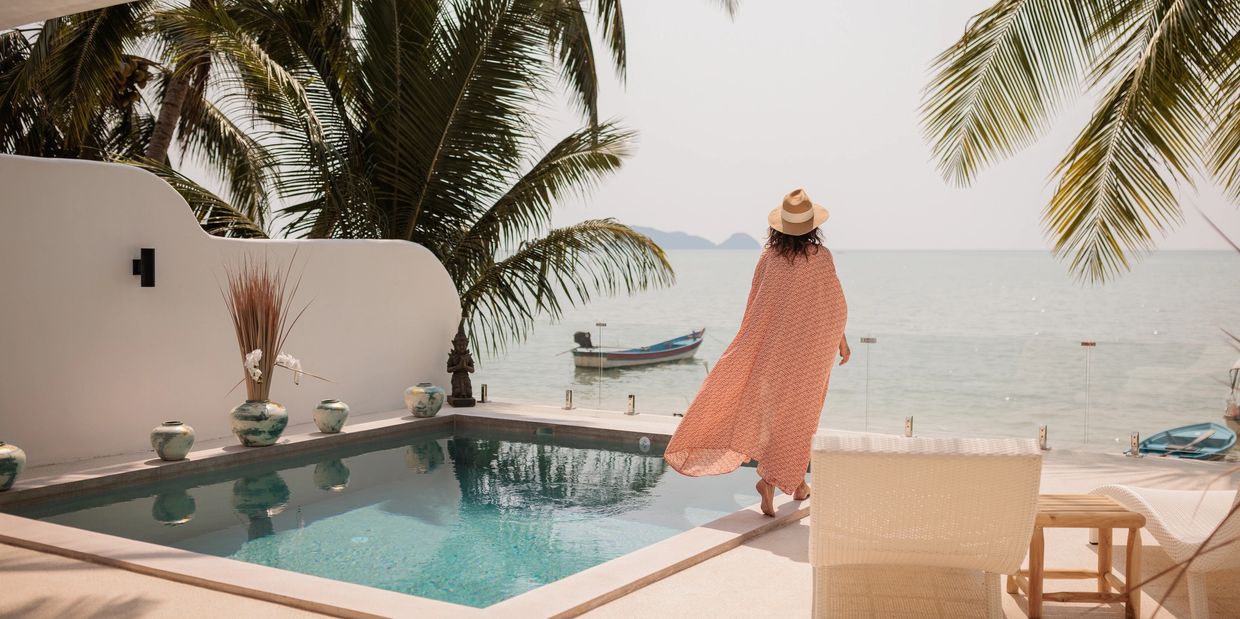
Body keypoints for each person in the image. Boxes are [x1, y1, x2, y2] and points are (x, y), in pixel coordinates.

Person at [664, 188, 849, 517]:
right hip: (809, 353)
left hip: (772, 351)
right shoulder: (821, 258)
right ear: (812, 226)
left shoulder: (768, 257)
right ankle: (778, 481)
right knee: (799, 418)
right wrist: (841, 341)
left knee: (771, 414)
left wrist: (750, 345)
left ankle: (793, 483)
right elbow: (831, 305)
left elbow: (756, 305)